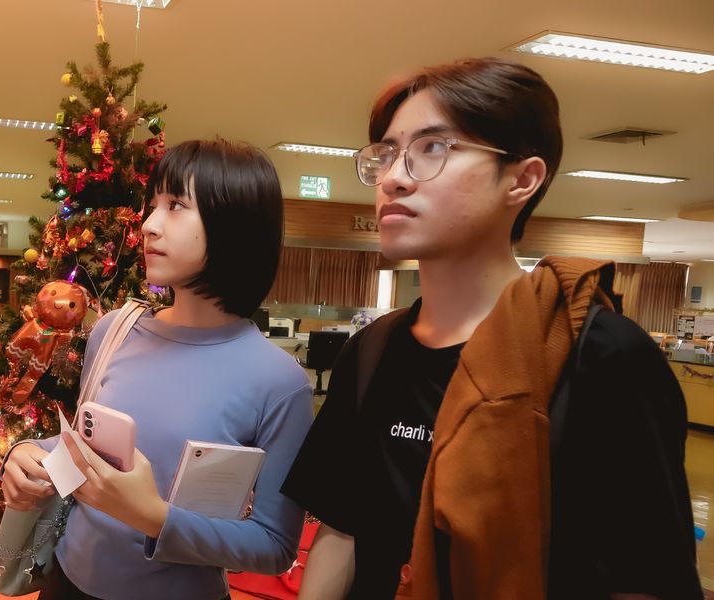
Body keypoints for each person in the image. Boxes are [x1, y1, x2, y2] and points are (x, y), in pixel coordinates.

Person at [281, 57, 703, 600]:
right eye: (385, 155)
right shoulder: (373, 350)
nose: (392, 178)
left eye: (432, 148)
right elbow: (343, 528)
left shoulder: (600, 356)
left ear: (522, 179)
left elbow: (645, 579)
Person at [1, 139, 314, 600]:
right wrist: (30, 454)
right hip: (67, 581)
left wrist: (153, 516)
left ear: (234, 224)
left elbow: (274, 546)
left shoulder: (279, 382)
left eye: (176, 206)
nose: (148, 224)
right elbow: (90, 447)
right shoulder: (115, 329)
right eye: (153, 205)